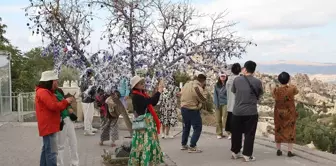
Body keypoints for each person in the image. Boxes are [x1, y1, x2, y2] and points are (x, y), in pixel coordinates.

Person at [35, 70, 74, 166]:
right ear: (50, 82)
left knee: (46, 149)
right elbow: (53, 106)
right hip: (49, 127)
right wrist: (66, 101)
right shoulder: (43, 92)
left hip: (49, 126)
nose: (57, 82)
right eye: (55, 80)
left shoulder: (47, 92)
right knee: (52, 152)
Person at [231, 61, 263, 162]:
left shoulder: (236, 80)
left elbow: (234, 91)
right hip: (251, 112)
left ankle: (235, 152)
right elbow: (260, 94)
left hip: (237, 111)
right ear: (254, 70)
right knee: (249, 134)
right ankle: (247, 155)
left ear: (245, 68)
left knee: (236, 132)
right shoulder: (258, 82)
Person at [128, 75, 164, 166]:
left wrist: (157, 91)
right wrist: (159, 91)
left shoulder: (142, 94)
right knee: (146, 142)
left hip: (147, 121)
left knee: (148, 141)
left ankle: (150, 160)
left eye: (143, 82)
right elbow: (151, 101)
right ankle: (145, 161)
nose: (143, 84)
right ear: (136, 85)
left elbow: (153, 101)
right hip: (145, 121)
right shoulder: (136, 96)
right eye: (141, 83)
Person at [272, 72, 298, 157]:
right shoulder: (292, 89)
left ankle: (278, 150)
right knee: (291, 130)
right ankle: (289, 151)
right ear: (288, 79)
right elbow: (296, 92)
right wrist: (290, 84)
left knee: (278, 129)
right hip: (290, 112)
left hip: (278, 113)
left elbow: (273, 96)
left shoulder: (276, 90)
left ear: (279, 80)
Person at [180, 74, 207, 153]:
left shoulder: (187, 84)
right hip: (192, 109)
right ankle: (192, 146)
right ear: (203, 81)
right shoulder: (197, 87)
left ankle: (184, 144)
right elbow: (203, 99)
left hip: (183, 108)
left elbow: (181, 93)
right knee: (197, 127)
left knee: (186, 127)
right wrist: (204, 90)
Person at [54, 88, 79, 166]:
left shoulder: (58, 90)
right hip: (61, 121)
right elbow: (55, 106)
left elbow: (66, 103)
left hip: (69, 119)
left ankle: (75, 163)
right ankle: (59, 164)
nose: (56, 81)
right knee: (60, 145)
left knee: (73, 142)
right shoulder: (49, 93)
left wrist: (69, 108)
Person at [226, 63, 242, 140]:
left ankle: (231, 134)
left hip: (230, 104)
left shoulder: (229, 79)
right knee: (238, 122)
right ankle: (236, 135)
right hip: (238, 104)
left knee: (231, 120)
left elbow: (226, 90)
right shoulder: (241, 80)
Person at [80, 69, 97, 136]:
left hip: (90, 100)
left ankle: (90, 127)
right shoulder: (84, 82)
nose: (91, 76)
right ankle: (87, 130)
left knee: (90, 115)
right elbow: (86, 91)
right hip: (86, 101)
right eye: (90, 74)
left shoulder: (88, 81)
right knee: (87, 116)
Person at [213, 73, 228, 139]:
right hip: (218, 103)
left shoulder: (228, 85)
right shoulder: (216, 85)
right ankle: (219, 133)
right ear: (219, 77)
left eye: (224, 76)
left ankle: (229, 132)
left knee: (226, 119)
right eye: (221, 76)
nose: (222, 77)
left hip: (225, 103)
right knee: (218, 119)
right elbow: (215, 95)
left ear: (226, 77)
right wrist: (216, 104)